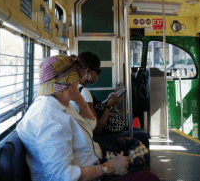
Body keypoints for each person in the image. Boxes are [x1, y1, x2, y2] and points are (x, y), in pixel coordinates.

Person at [17, 55, 159, 181]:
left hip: (93, 158)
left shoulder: (61, 103)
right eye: (75, 78)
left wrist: (78, 97)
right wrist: (108, 168)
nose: (79, 81)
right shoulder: (49, 118)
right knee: (149, 178)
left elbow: (90, 125)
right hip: (91, 172)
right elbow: (60, 176)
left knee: (135, 146)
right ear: (65, 83)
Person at [70, 52, 124, 134]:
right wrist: (109, 106)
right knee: (141, 135)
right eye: (98, 72)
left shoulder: (74, 88)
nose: (98, 76)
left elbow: (91, 110)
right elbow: (96, 129)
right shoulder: (84, 92)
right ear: (87, 71)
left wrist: (108, 100)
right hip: (92, 137)